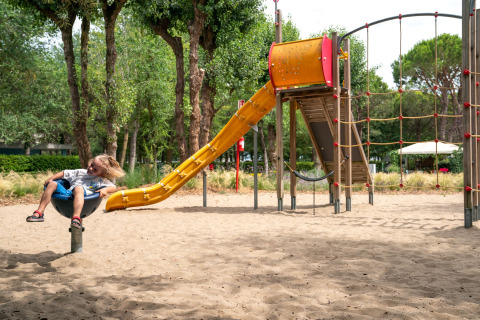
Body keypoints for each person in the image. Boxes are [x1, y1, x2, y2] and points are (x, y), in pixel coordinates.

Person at [26, 154, 126, 229]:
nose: (90, 168)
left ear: (101, 174)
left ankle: (76, 218)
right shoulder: (80, 172)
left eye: (95, 169)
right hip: (69, 193)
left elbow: (113, 187)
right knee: (52, 184)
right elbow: (64, 173)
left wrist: (105, 189)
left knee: (78, 188)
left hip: (85, 197)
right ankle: (39, 212)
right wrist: (51, 178)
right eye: (91, 164)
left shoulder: (101, 180)